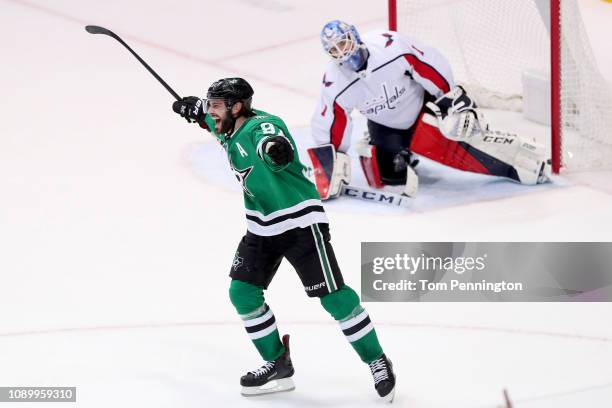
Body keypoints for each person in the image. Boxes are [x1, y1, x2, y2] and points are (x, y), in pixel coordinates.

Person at [172, 78, 396, 401]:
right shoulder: (228, 126)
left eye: (216, 105)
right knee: (243, 293)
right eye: (210, 105)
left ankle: (377, 358)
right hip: (262, 227)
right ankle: (277, 362)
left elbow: (271, 142)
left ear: (237, 108)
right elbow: (211, 123)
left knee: (333, 296)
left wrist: (277, 152)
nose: (212, 111)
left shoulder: (263, 126)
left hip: (301, 224)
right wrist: (195, 111)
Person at [308, 20, 550, 200]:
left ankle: (523, 161)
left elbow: (430, 64)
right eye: (334, 49)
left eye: (343, 42)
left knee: (454, 133)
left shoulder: (389, 46)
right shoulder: (335, 80)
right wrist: (329, 161)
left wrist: (450, 99)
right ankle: (390, 150)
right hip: (385, 128)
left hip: (423, 109)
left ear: (355, 36)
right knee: (392, 182)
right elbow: (331, 119)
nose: (341, 51)